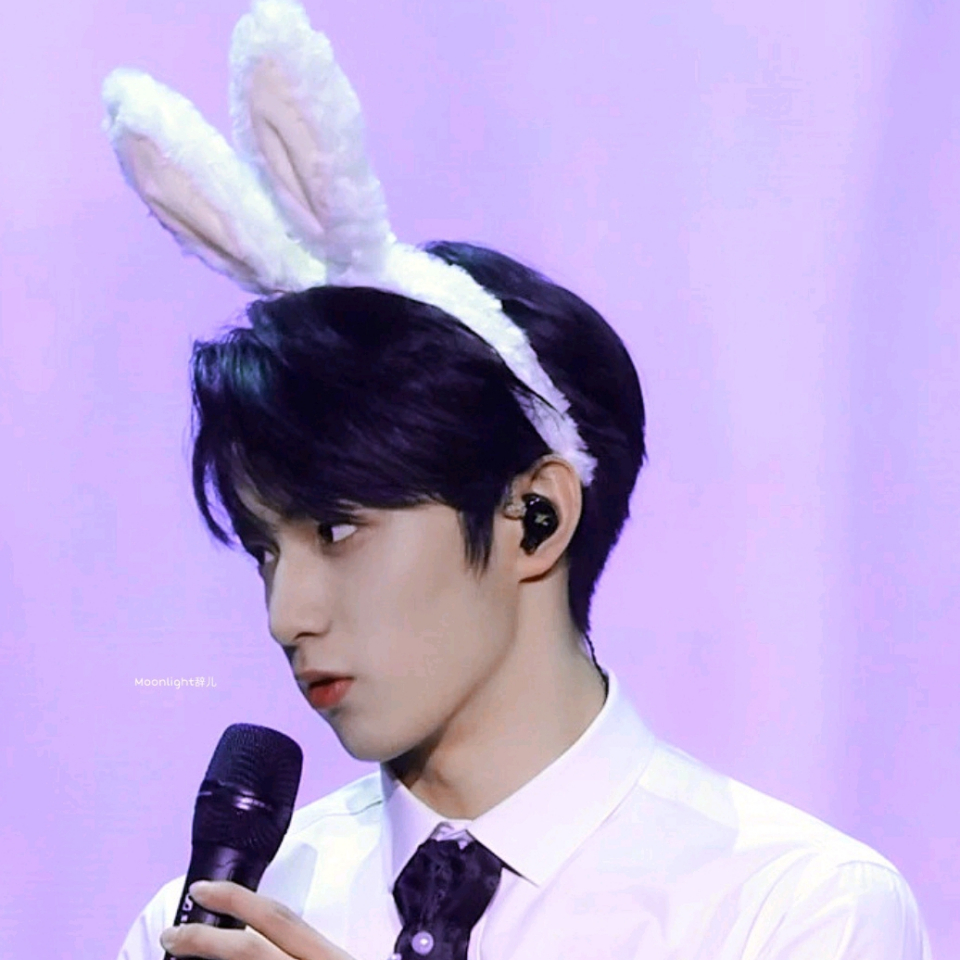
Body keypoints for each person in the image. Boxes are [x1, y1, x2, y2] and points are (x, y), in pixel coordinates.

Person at [107, 3, 931, 958]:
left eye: (336, 531)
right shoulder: (215, 920)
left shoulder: (793, 909)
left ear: (534, 516)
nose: (287, 616)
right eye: (264, 551)